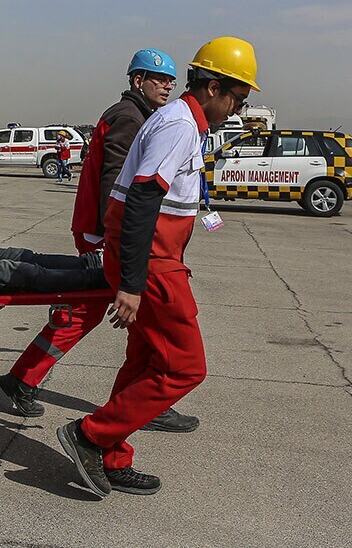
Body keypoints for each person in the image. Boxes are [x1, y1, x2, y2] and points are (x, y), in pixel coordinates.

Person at [55, 37, 259, 498]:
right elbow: (144, 196)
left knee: (146, 359)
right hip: (150, 263)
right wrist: (131, 282)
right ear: (212, 88)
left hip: (153, 259)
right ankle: (89, 435)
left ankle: (111, 455)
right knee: (186, 368)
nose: (239, 109)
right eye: (238, 98)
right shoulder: (179, 125)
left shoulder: (184, 121)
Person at [2, 49, 190, 427]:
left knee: (92, 311)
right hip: (104, 232)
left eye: (171, 79)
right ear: (137, 81)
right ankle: (143, 397)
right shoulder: (129, 117)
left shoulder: (136, 115)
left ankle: (24, 378)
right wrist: (117, 238)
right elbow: (116, 179)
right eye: (158, 78)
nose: (168, 85)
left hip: (103, 231)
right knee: (110, 310)